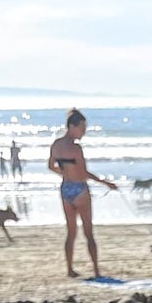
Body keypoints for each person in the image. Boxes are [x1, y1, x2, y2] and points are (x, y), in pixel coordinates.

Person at [47, 107, 117, 278]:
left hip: (65, 189)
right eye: (82, 128)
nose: (83, 132)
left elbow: (51, 166)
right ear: (72, 126)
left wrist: (65, 173)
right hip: (79, 189)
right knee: (88, 232)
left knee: (71, 232)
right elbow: (84, 172)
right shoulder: (76, 148)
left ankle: (70, 269)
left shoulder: (56, 145)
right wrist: (105, 182)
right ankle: (96, 270)